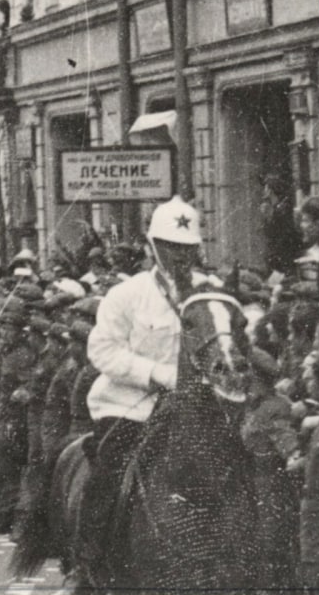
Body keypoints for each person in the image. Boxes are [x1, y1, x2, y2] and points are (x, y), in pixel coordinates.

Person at [75, 195, 202, 591]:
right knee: (108, 480)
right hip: (133, 407)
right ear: (153, 248)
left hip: (196, 408)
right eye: (170, 249)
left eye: (186, 249)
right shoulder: (126, 295)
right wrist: (159, 375)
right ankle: (88, 569)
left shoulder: (210, 293)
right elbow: (102, 350)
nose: (179, 257)